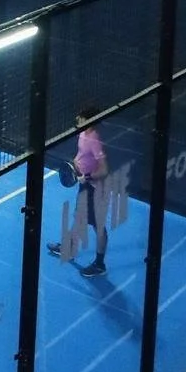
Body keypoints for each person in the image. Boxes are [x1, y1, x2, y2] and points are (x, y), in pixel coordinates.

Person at [47, 104, 110, 278]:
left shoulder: (94, 140)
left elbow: (104, 169)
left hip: (96, 188)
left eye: (80, 117)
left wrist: (87, 177)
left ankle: (100, 264)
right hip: (85, 184)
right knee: (79, 216)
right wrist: (76, 164)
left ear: (88, 119)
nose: (77, 119)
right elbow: (82, 156)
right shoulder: (83, 134)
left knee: (98, 226)